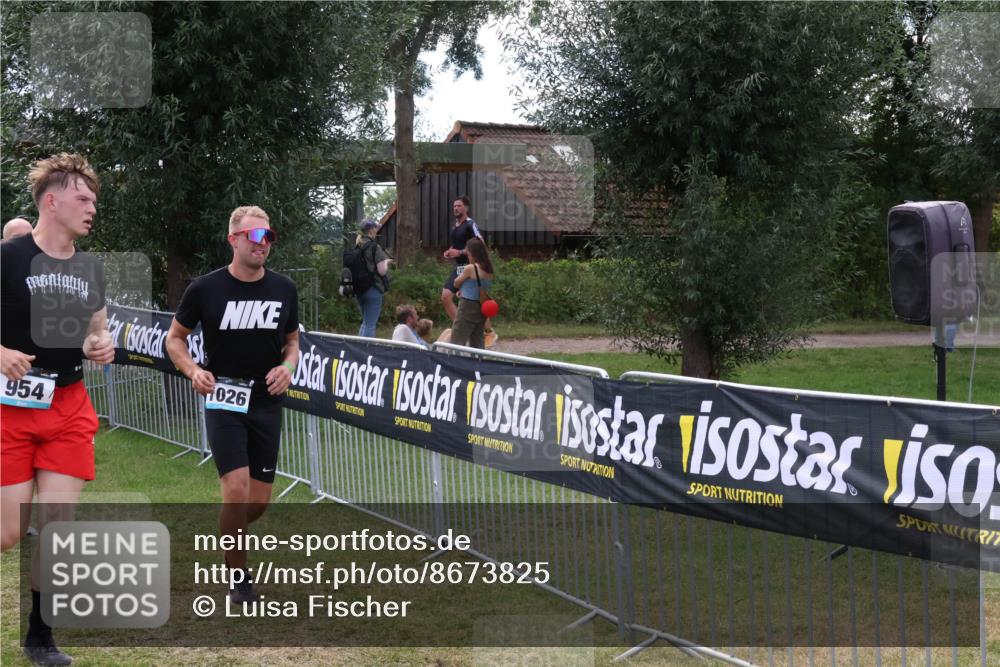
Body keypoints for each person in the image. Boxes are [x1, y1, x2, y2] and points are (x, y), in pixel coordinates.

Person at [1, 153, 115, 666]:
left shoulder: (90, 268)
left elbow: (98, 328)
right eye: (83, 198)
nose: (93, 207)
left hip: (68, 405)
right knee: (7, 532)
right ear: (52, 201)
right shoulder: (8, 258)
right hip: (10, 411)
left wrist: (100, 344)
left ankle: (40, 637)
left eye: (94, 199)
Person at [165, 205, 299, 604]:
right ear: (234, 240)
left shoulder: (283, 288)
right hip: (223, 397)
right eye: (256, 236)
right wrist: (192, 370)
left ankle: (229, 530)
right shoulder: (205, 289)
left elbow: (292, 341)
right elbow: (175, 338)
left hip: (266, 401)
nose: (264, 244)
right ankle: (239, 579)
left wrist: (289, 366)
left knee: (255, 502)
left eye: (269, 237)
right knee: (236, 490)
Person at [440, 196, 483, 323]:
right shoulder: (455, 226)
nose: (456, 208)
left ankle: (488, 331)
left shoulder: (471, 224)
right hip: (459, 268)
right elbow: (457, 245)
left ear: (466, 208)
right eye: (454, 206)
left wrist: (459, 252)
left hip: (470, 267)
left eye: (459, 206)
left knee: (474, 301)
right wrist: (449, 251)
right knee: (446, 297)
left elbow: (480, 245)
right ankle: (460, 327)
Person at [450, 238, 494, 349]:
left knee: (457, 339)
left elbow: (456, 283)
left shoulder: (470, 268)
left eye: (468, 254)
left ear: (473, 254)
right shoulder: (489, 269)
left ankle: (454, 363)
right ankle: (478, 364)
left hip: (467, 306)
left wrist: (461, 286)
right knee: (477, 340)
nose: (468, 257)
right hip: (481, 307)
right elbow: (477, 287)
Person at [353, 219, 391, 338]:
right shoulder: (374, 247)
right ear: (370, 230)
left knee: (365, 323)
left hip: (359, 289)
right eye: (375, 228)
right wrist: (386, 262)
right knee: (370, 325)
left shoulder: (357, 245)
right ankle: (365, 353)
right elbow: (381, 271)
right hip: (373, 289)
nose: (377, 230)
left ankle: (358, 350)